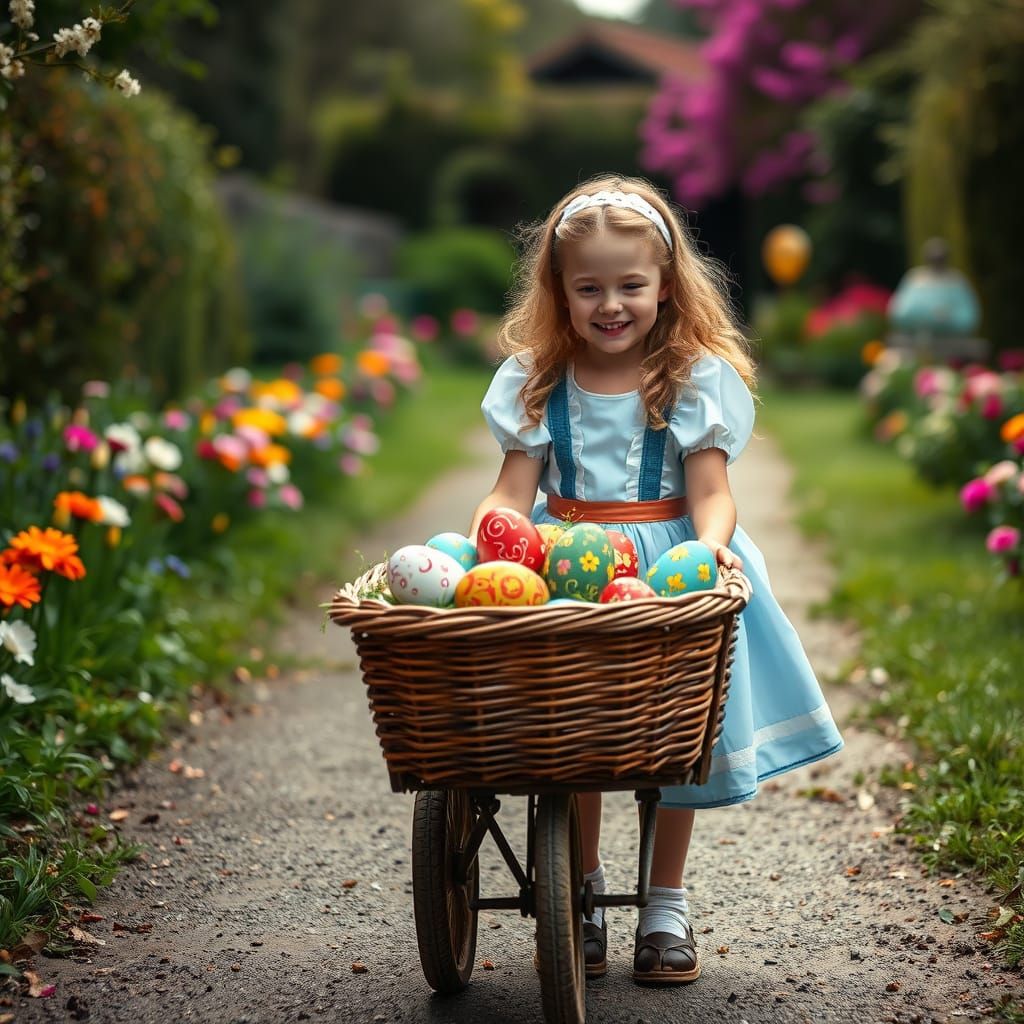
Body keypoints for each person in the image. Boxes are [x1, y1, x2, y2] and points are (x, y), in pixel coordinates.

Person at [468, 175, 843, 986]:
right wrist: (495, 533)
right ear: (558, 292)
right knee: (588, 730)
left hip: (669, 561)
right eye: (589, 287)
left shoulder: (691, 376)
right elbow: (512, 489)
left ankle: (665, 897)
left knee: (670, 734)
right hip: (576, 567)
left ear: (665, 285)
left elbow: (712, 496)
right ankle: (589, 889)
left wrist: (707, 553)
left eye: (631, 285)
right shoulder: (539, 380)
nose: (612, 304)